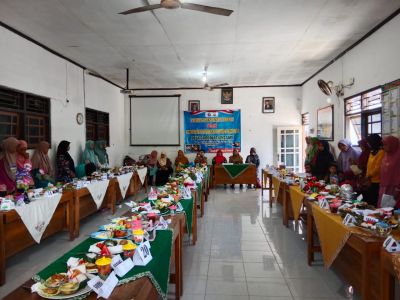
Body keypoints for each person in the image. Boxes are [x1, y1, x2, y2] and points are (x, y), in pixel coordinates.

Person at [378, 136, 400, 208]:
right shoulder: (386, 154)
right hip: (384, 185)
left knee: (390, 208)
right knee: (382, 207)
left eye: (385, 145)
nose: (383, 147)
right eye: (383, 145)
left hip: (394, 187)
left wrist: (398, 187)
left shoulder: (398, 156)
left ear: (392, 144)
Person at [364, 134, 384, 206]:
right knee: (369, 199)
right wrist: (367, 176)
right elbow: (368, 165)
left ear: (373, 142)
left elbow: (378, 168)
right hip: (370, 179)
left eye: (369, 142)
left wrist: (369, 176)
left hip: (377, 180)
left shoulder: (381, 152)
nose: (367, 144)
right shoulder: (372, 152)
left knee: (374, 199)